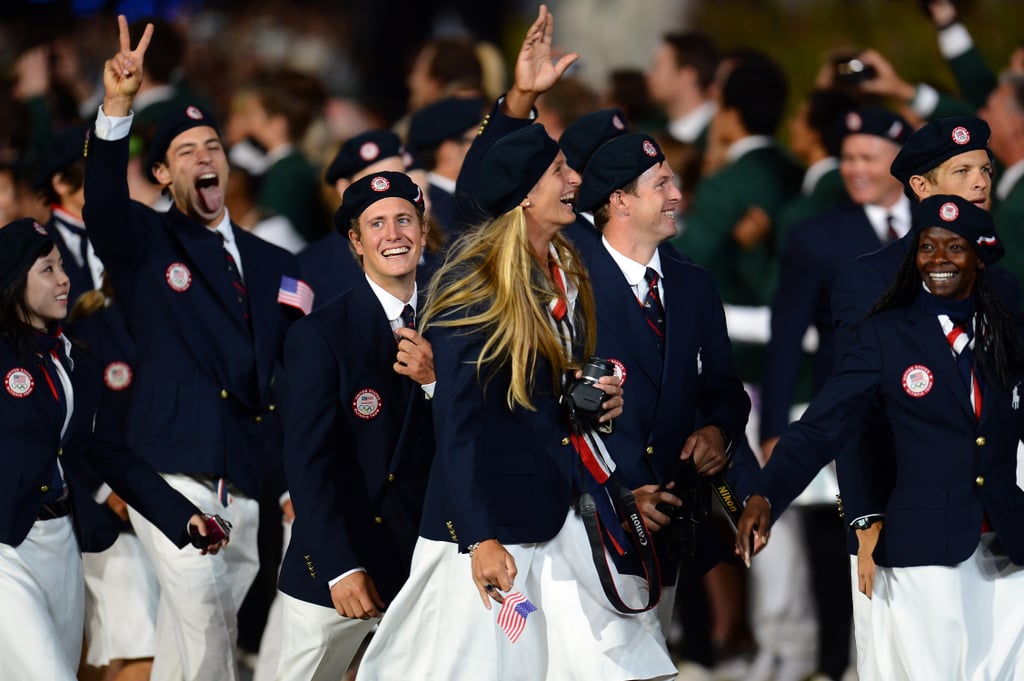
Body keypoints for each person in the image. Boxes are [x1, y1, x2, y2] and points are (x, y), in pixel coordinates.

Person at [356, 122, 675, 681]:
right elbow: (458, 423)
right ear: (527, 194)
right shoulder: (473, 289)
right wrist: (480, 539)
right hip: (490, 532)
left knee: (619, 669)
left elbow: (543, 403)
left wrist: (594, 404)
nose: (575, 178)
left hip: (562, 516)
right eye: (558, 171)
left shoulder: (565, 275)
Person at [82, 18, 300, 681]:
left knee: (194, 645)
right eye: (185, 151)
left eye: (213, 146)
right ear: (159, 173)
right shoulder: (147, 242)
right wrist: (117, 107)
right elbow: (101, 207)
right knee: (208, 628)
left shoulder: (272, 261)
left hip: (249, 482)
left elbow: (288, 371)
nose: (204, 158)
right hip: (172, 472)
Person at [737, 194, 1024, 681]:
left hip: (1007, 545)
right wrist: (767, 493)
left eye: (954, 247)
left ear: (980, 256)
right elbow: (823, 426)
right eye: (926, 247)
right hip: (925, 550)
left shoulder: (1007, 331)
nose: (938, 259)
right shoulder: (884, 335)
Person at [0, 217, 224, 681]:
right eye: (47, 269)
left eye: (63, 265)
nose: (64, 279)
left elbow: (106, 454)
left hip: (60, 539)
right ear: (14, 279)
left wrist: (183, 516)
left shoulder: (75, 360)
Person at [274, 171, 436, 680]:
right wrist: (339, 567)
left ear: (424, 232)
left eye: (404, 220)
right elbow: (307, 464)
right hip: (339, 564)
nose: (394, 234)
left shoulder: (455, 322)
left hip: (425, 562)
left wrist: (436, 383)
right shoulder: (320, 334)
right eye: (378, 224)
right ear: (356, 241)